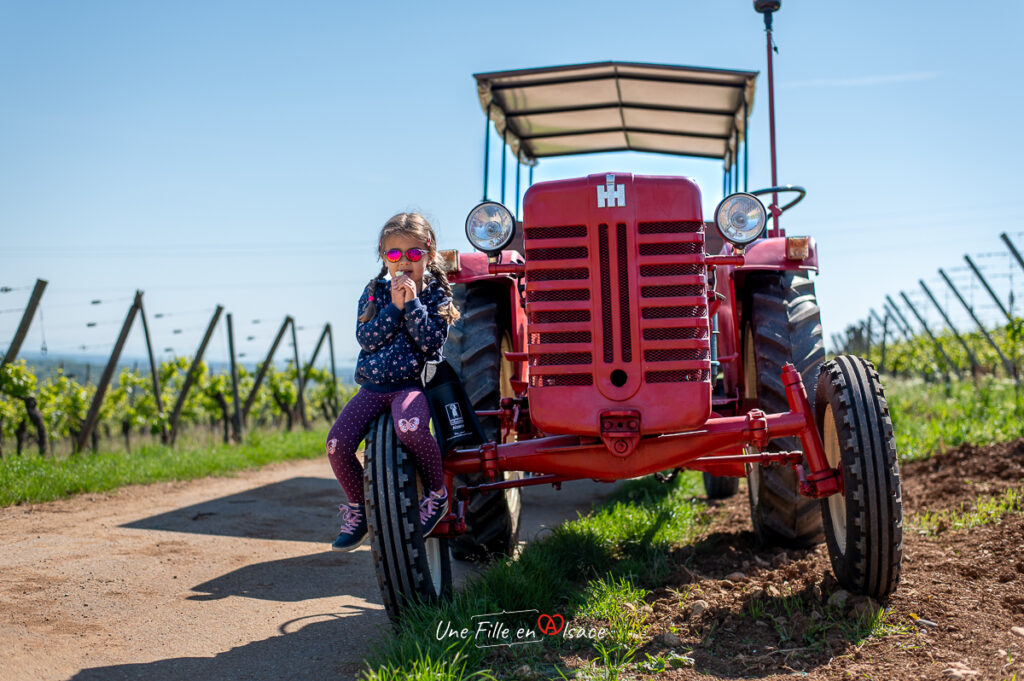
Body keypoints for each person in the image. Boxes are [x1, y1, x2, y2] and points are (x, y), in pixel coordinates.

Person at [325, 212, 460, 552]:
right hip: (372, 389)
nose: (404, 262)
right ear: (384, 257)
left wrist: (412, 303)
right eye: (395, 254)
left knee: (411, 428)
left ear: (429, 255)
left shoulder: (435, 296)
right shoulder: (374, 293)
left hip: (409, 387)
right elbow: (367, 338)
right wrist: (394, 309)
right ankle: (360, 509)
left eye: (414, 253)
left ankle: (436, 494)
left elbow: (430, 342)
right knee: (337, 445)